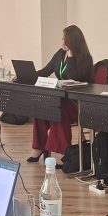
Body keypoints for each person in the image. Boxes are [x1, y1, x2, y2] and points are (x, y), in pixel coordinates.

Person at [28, 25, 93, 163]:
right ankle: (39, 147)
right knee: (41, 107)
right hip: (61, 99)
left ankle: (60, 152)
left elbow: (73, 77)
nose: (62, 42)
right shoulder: (59, 54)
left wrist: (71, 57)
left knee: (58, 110)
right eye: (62, 39)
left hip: (78, 102)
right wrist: (28, 76)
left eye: (65, 39)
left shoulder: (85, 58)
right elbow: (45, 71)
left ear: (73, 41)